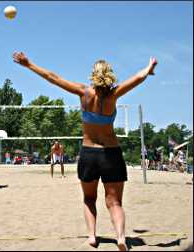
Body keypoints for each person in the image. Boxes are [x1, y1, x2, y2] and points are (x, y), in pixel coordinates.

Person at [13, 51, 157, 250]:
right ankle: (121, 238)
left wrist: (29, 64)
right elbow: (138, 78)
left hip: (89, 154)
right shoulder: (114, 94)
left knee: (89, 199)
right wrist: (149, 68)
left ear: (93, 75)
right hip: (111, 153)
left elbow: (53, 78)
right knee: (115, 202)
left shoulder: (84, 92)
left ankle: (92, 236)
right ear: (109, 74)